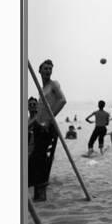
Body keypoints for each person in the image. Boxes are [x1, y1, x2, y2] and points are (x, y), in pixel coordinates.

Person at [28, 59, 67, 202]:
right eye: (45, 68)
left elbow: (62, 100)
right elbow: (39, 113)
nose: (48, 71)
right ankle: (37, 195)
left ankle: (40, 193)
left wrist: (48, 120)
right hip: (39, 126)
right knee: (35, 158)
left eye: (50, 68)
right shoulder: (41, 89)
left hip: (48, 127)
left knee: (40, 159)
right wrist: (29, 125)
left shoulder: (53, 84)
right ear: (39, 70)